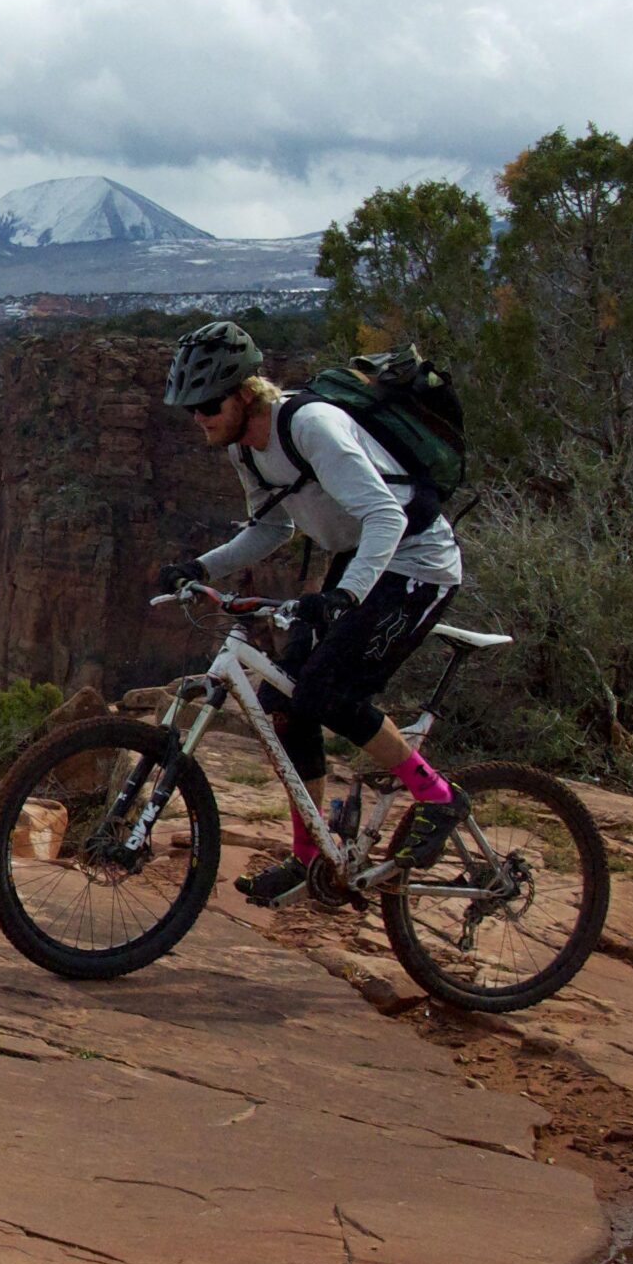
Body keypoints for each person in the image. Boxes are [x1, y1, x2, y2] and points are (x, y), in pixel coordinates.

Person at [153, 320, 465, 906]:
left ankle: (437, 797)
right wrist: (200, 567)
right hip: (360, 565)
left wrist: (346, 596)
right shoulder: (245, 448)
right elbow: (271, 527)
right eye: (190, 409)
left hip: (417, 564)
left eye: (207, 404)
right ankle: (312, 859)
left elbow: (388, 518)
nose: (199, 418)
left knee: (327, 694)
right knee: (285, 710)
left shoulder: (311, 425)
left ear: (245, 392)